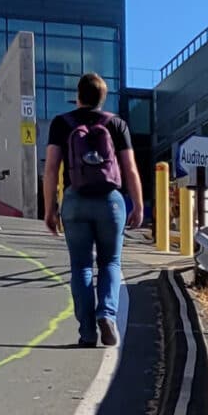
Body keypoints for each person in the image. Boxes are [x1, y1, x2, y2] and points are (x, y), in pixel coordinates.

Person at [42, 73, 145, 348]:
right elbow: (130, 168)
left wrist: (50, 209)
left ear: (78, 96)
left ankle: (87, 332)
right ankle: (107, 313)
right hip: (111, 201)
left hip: (75, 200)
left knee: (81, 266)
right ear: (103, 98)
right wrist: (138, 205)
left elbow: (51, 168)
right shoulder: (117, 124)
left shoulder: (62, 123)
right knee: (110, 261)